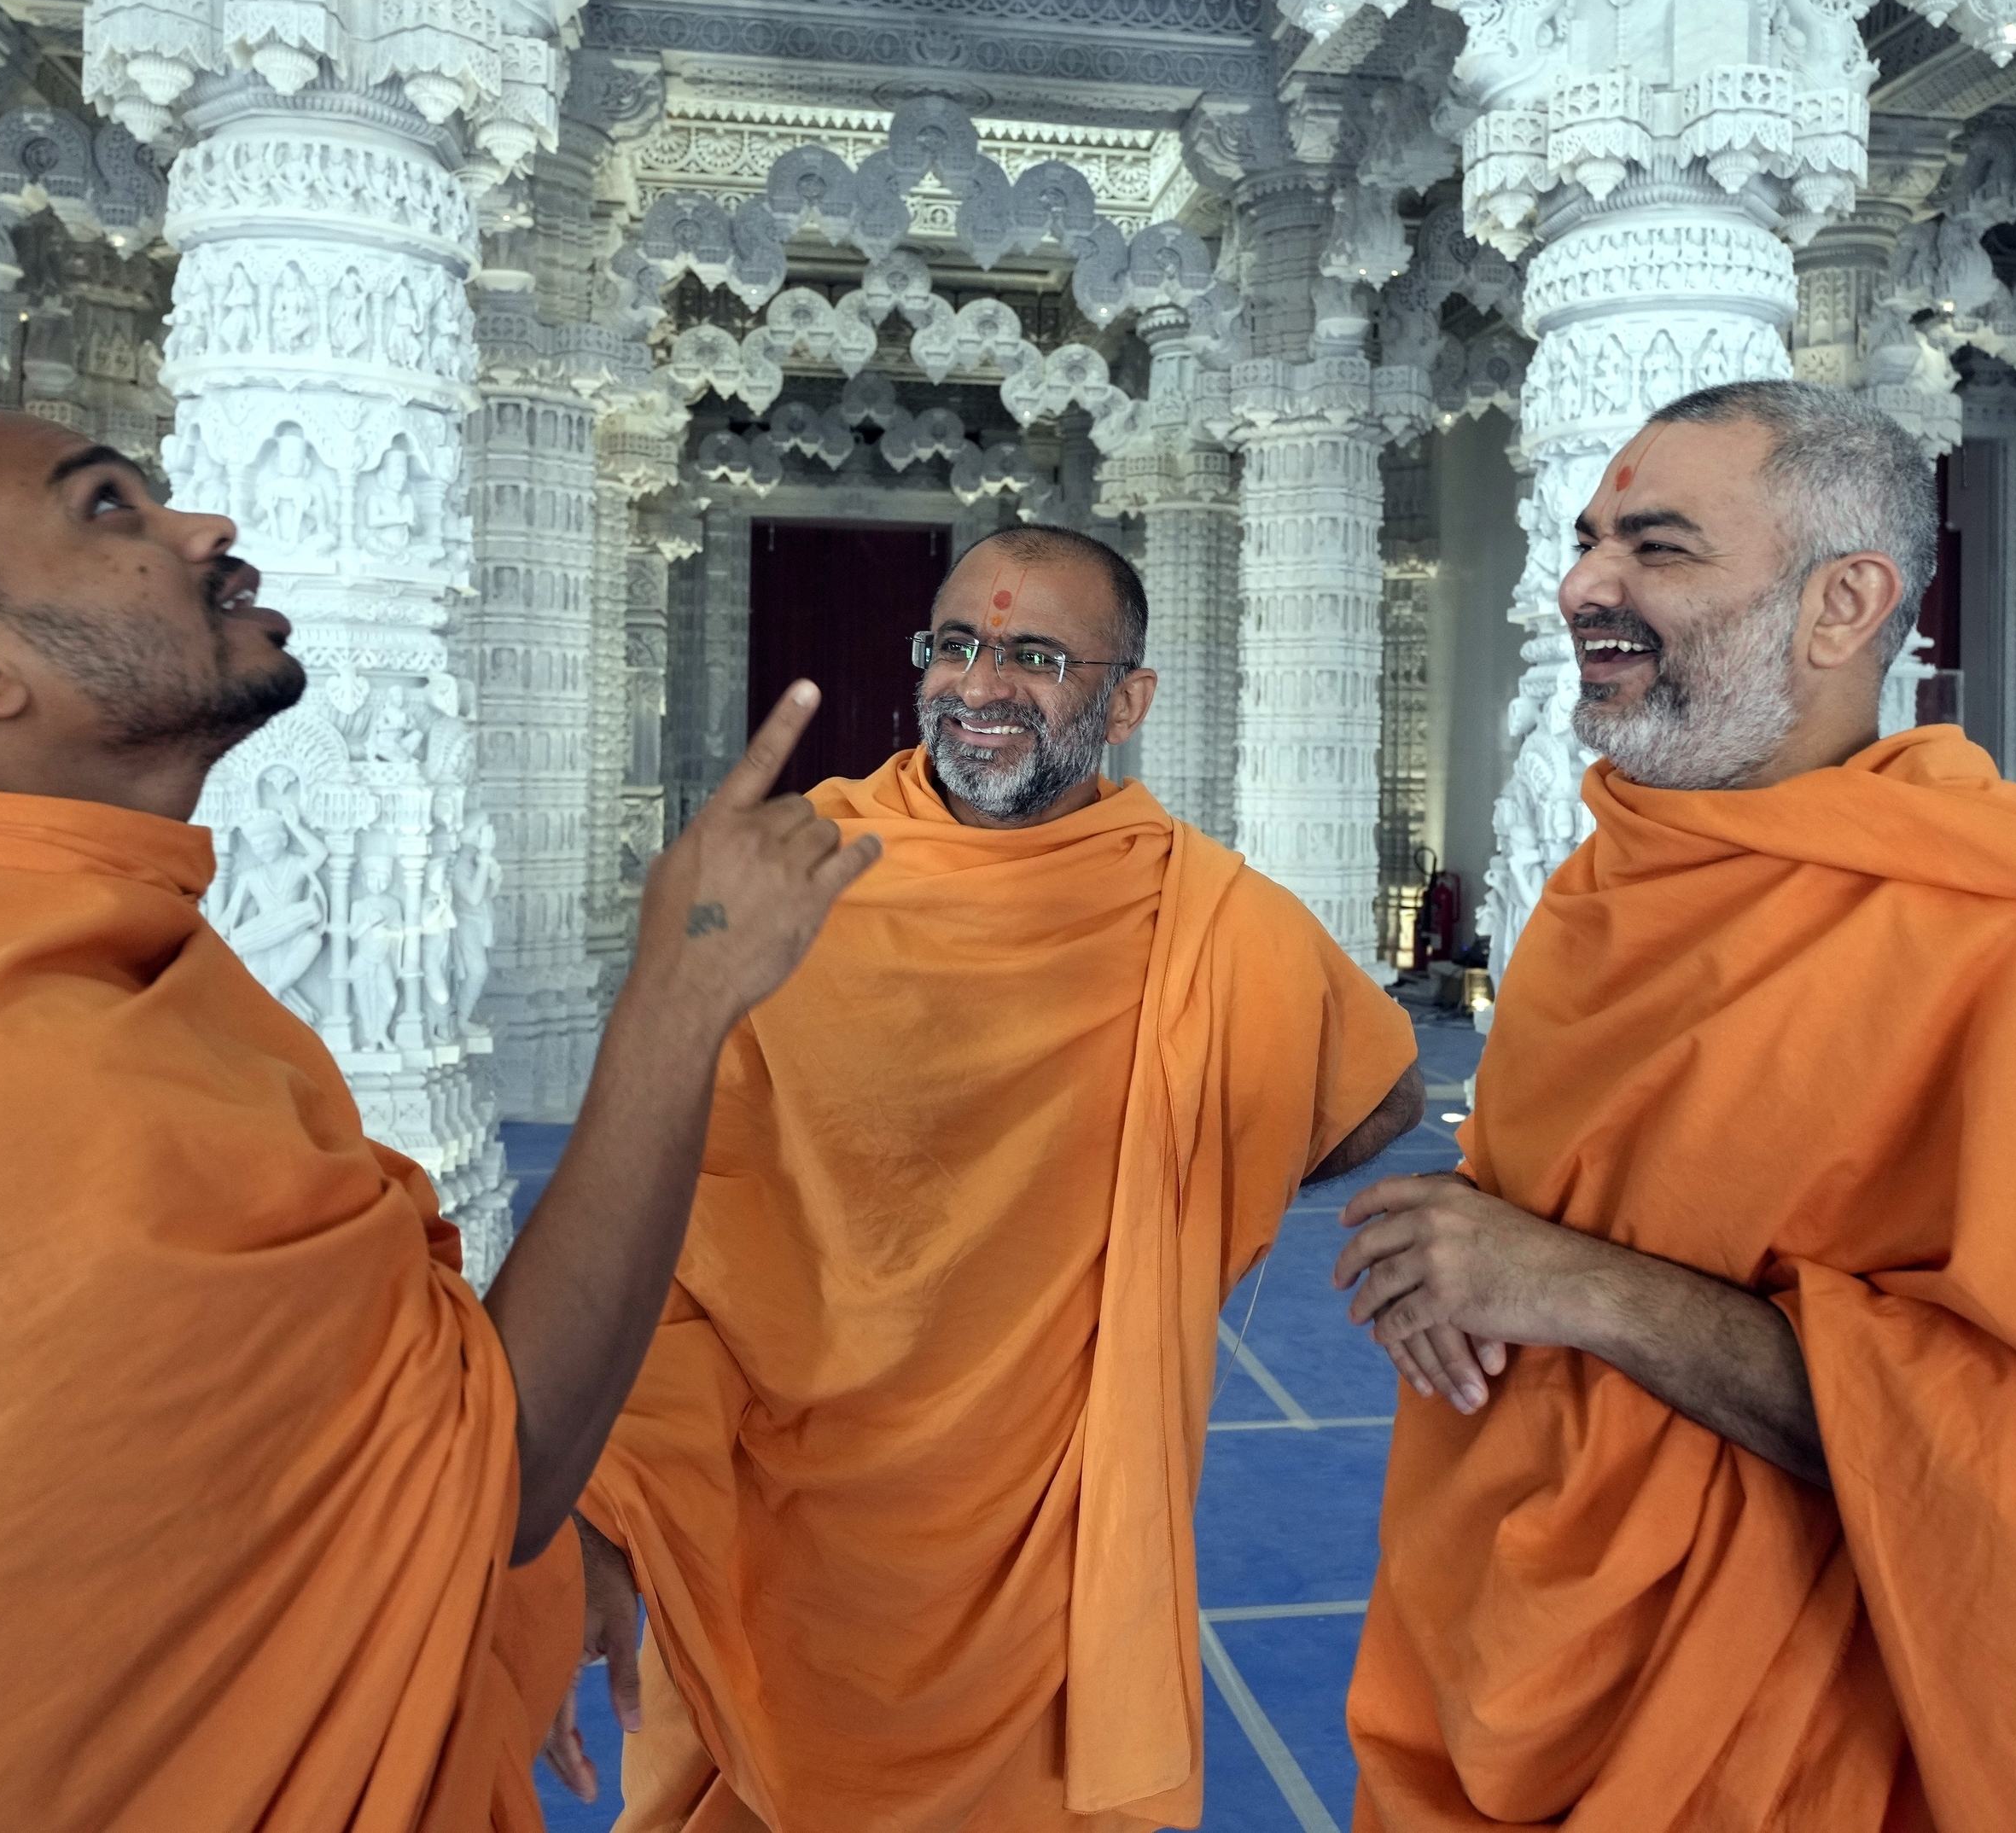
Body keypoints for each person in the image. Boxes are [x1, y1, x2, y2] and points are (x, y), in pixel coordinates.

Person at [0, 403, 879, 1833]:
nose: (207, 528)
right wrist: (683, 993)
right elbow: (495, 1481)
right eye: (109, 508)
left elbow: (306, 1460)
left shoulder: (61, 954)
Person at [1337, 380, 2016, 1831]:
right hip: (1525, 1642)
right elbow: (1558, 1226)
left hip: (1809, 1718)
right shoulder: (1597, 897)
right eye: (1586, 541)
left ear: (1845, 604)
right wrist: (1465, 1254)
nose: (1581, 588)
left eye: (1658, 548)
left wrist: (1584, 1289)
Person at [572, 526, 1425, 1833]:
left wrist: (1183, 1184)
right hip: (787, 1507)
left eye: (1033, 655)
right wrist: (602, 1503)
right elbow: (676, 1219)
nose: (980, 686)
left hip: (1050, 1534)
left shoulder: (1204, 913)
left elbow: (1384, 1091)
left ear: (1126, 700)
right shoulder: (797, 869)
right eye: (956, 645)